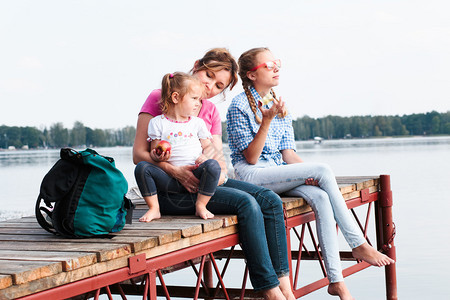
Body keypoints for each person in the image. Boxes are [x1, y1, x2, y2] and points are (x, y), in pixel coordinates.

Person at [226, 47, 395, 300]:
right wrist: (266, 121)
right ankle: (358, 244)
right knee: (323, 169)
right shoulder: (238, 106)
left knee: (322, 196)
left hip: (277, 172)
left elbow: (289, 155)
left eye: (277, 63)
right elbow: (250, 158)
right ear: (251, 74)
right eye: (269, 65)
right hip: (251, 175)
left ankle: (336, 281)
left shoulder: (279, 104)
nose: (276, 69)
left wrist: (313, 176)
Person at [133, 48, 295, 300]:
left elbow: (217, 157)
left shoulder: (208, 111)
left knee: (270, 201)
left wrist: (210, 169)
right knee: (246, 203)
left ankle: (285, 286)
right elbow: (139, 154)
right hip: (172, 187)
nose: (209, 87)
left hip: (205, 181)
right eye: (208, 75)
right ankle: (269, 289)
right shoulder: (162, 96)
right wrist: (174, 170)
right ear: (196, 65)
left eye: (219, 86)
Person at [137, 72, 221, 222]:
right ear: (176, 97)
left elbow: (209, 147)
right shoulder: (158, 123)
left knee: (213, 166)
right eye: (194, 98)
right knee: (142, 168)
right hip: (169, 178)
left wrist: (206, 156)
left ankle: (201, 204)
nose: (198, 103)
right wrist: (158, 156)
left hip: (195, 175)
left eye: (199, 99)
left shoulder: (197, 123)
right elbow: (153, 151)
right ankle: (154, 208)